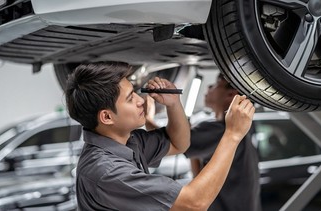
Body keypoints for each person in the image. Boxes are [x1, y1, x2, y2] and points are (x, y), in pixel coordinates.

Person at [65, 61, 255, 210]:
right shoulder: (106, 171)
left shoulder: (129, 142)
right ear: (106, 117)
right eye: (131, 98)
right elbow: (194, 204)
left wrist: (173, 104)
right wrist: (232, 135)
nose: (141, 100)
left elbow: (179, 143)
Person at [184, 74, 261, 211]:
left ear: (232, 94)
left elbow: (172, 143)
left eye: (216, 84)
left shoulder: (220, 131)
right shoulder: (238, 132)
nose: (208, 87)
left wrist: (151, 117)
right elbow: (197, 174)